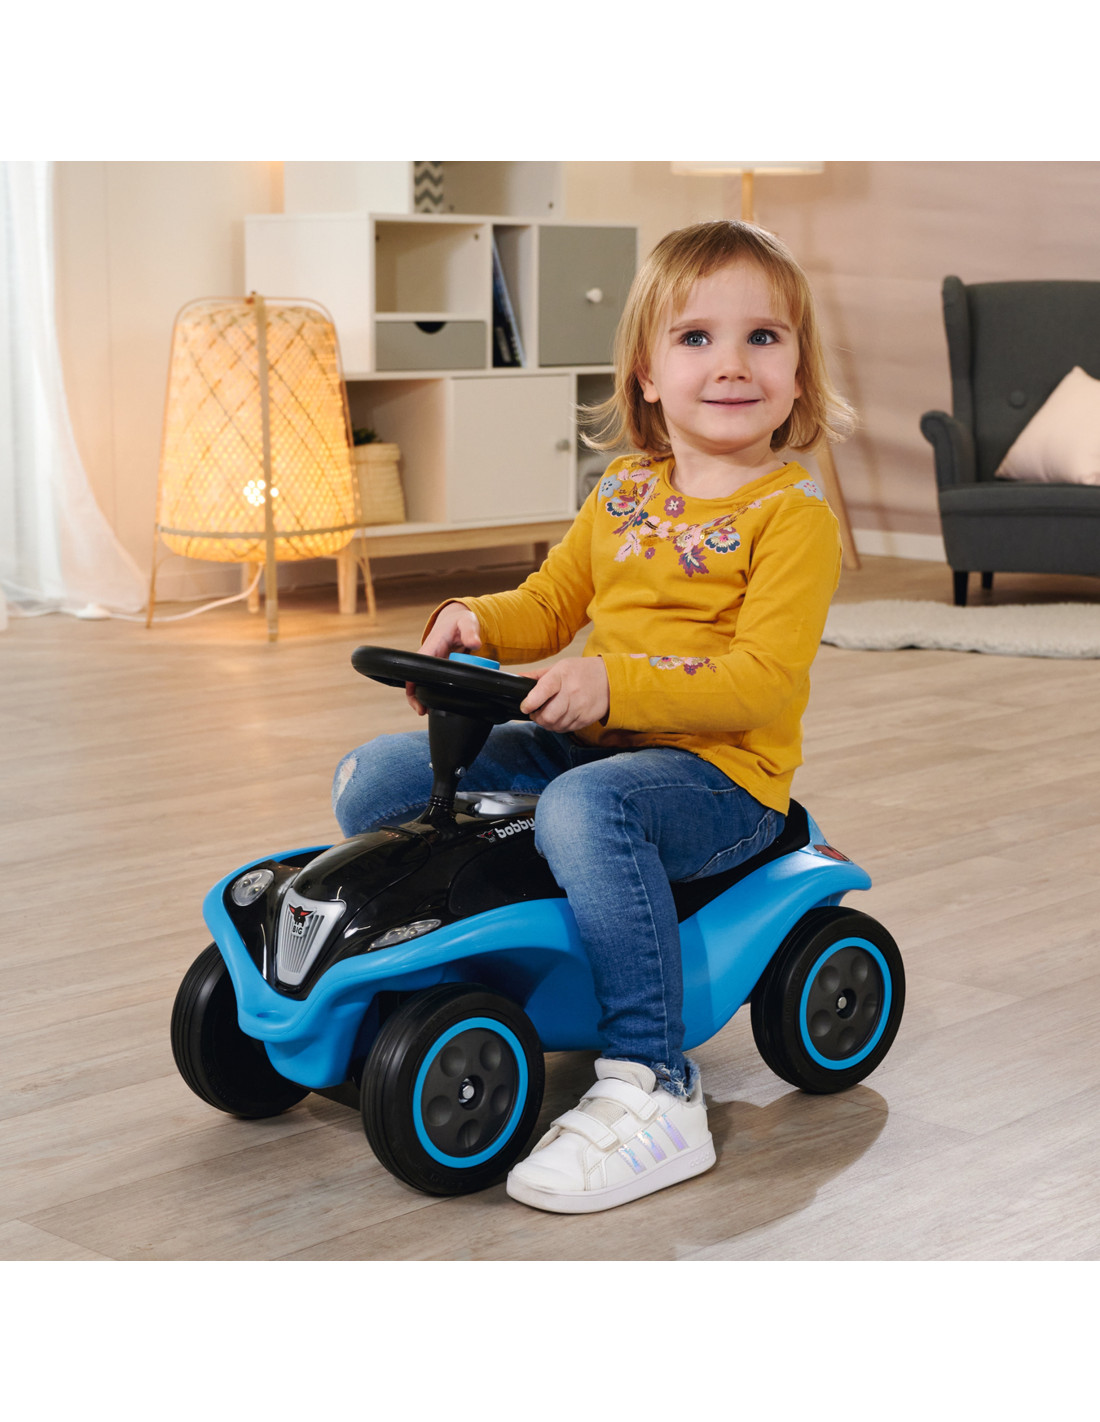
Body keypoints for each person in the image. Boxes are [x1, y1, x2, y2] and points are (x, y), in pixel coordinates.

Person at [332, 219, 855, 1214]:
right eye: (695, 338)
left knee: (584, 808)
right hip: (589, 749)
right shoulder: (622, 492)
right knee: (377, 778)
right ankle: (443, 967)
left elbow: (761, 682)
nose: (731, 364)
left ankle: (652, 1083)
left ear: (798, 374)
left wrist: (613, 684)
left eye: (763, 338)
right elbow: (548, 603)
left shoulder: (793, 520)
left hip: (718, 779)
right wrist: (473, 619)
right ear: (646, 373)